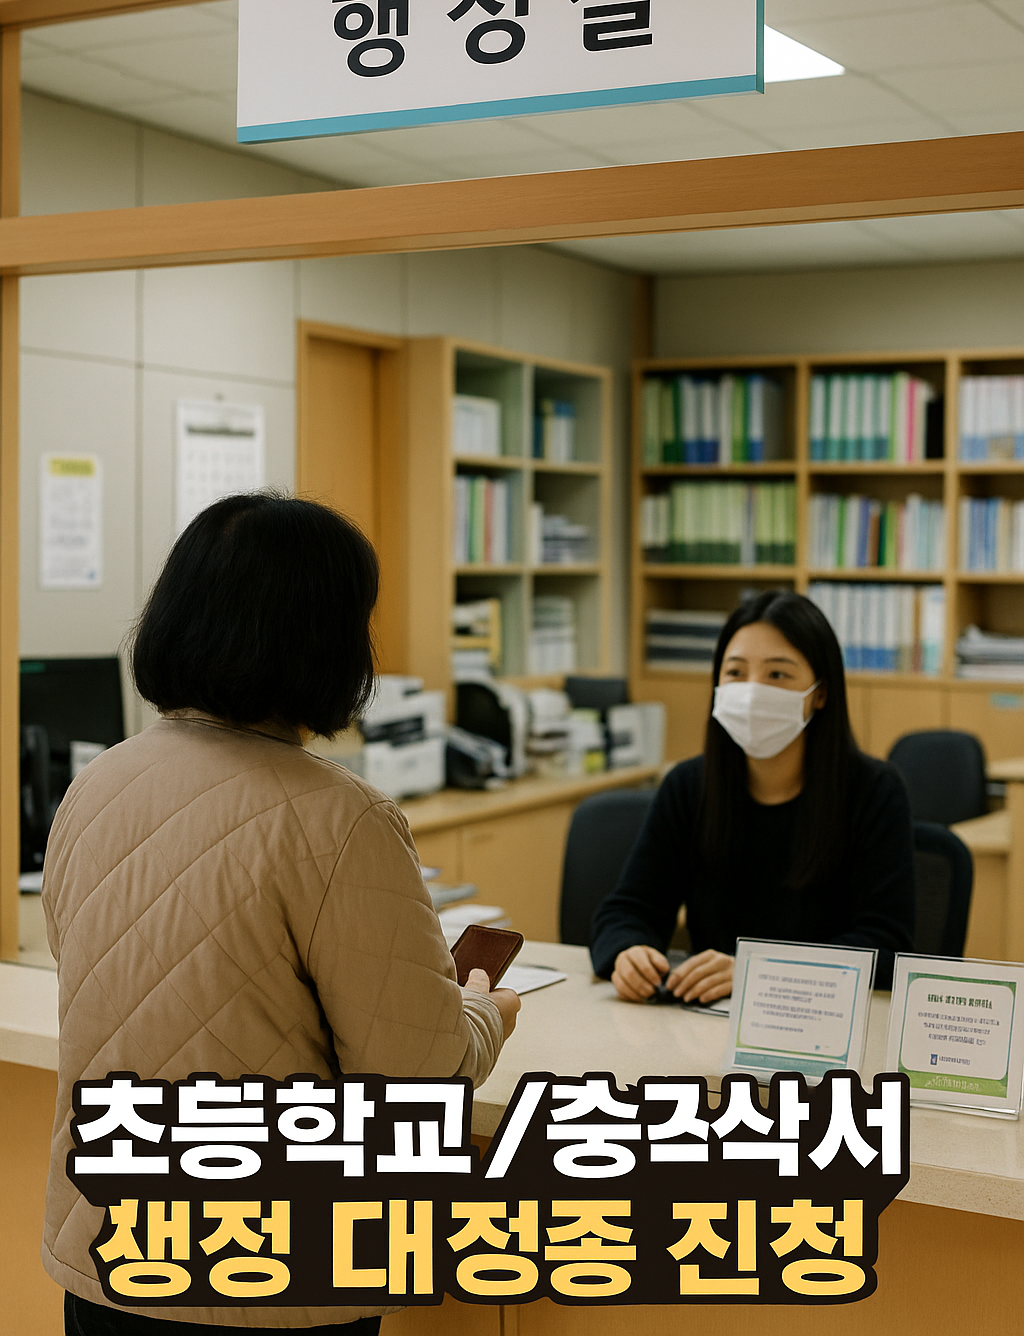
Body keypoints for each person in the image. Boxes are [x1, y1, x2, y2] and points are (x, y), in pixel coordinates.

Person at [42, 493, 520, 1336]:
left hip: (108, 1258)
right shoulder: (342, 818)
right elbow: (416, 1083)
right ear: (329, 643)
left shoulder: (95, 785)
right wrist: (483, 1010)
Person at [591, 589, 915, 1005]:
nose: (752, 691)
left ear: (820, 692)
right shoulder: (689, 786)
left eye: (777, 675)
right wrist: (627, 952)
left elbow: (887, 947)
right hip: (707, 1024)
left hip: (826, 1026)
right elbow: (626, 910)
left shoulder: (874, 791)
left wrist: (760, 972)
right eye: (736, 673)